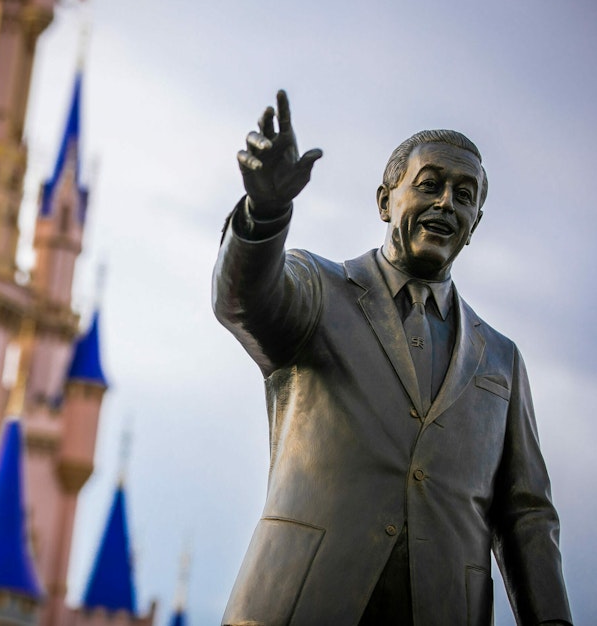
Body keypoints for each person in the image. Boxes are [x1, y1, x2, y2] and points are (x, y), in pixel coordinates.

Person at [212, 90, 572, 626]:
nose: (447, 203)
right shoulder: (317, 289)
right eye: (430, 185)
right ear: (385, 201)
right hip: (300, 604)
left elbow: (526, 515)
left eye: (465, 195)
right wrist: (265, 213)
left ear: (476, 222)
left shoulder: (502, 358)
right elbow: (243, 300)